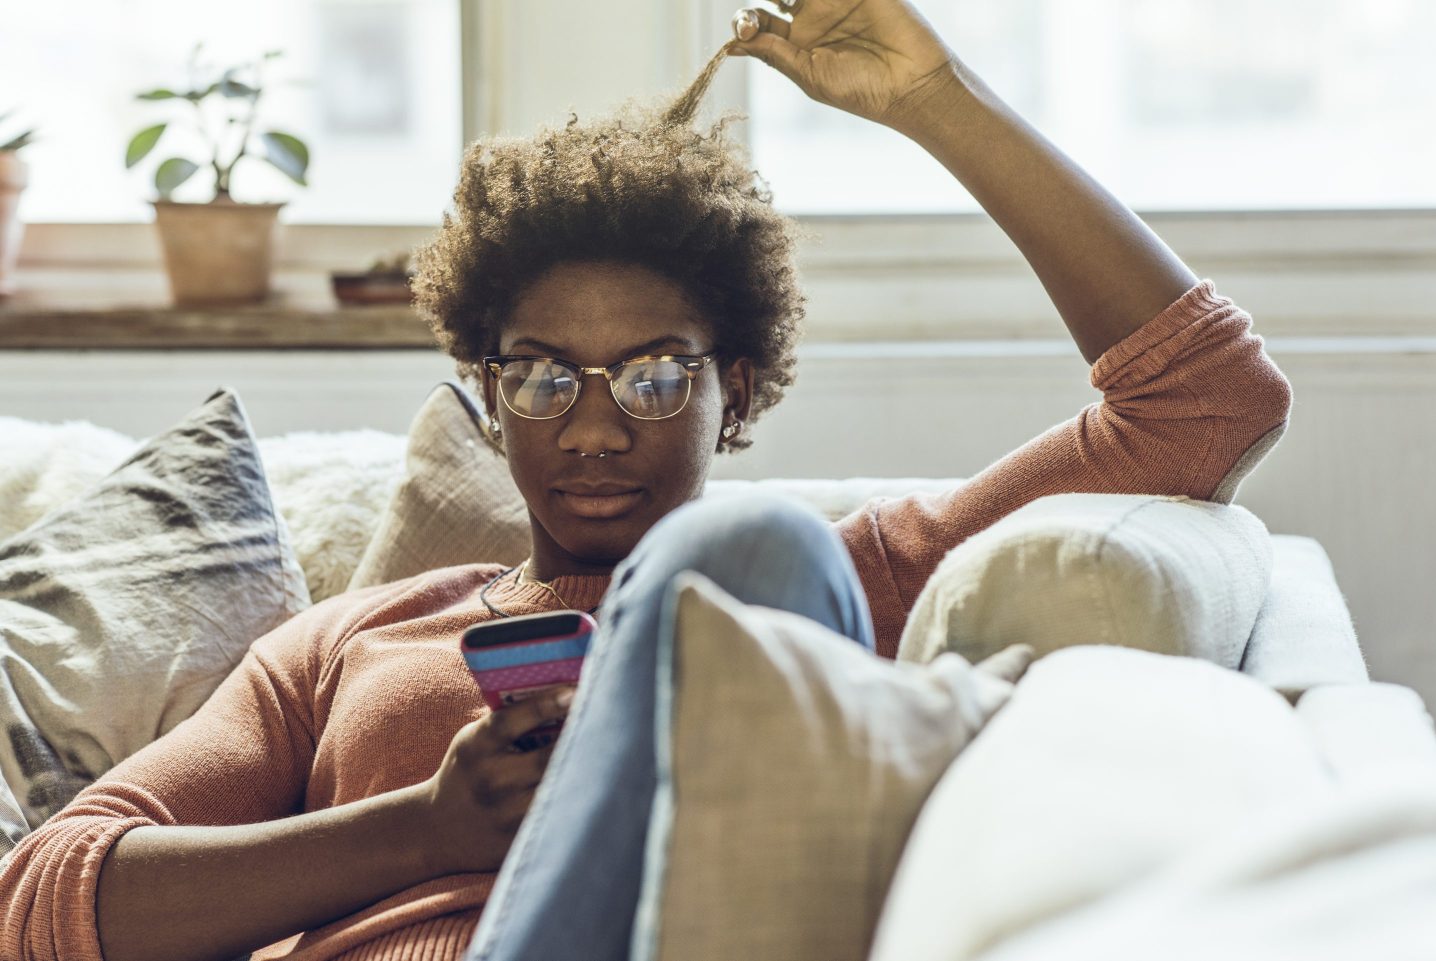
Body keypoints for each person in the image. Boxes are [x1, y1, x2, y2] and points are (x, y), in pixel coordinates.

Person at [0, 1, 1292, 959]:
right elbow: (45, 896)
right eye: (546, 376)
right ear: (489, 391)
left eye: (656, 377)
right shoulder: (351, 639)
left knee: (746, 566)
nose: (597, 430)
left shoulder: (847, 576)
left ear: (739, 390)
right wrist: (422, 831)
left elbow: (1203, 401)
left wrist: (933, 98)